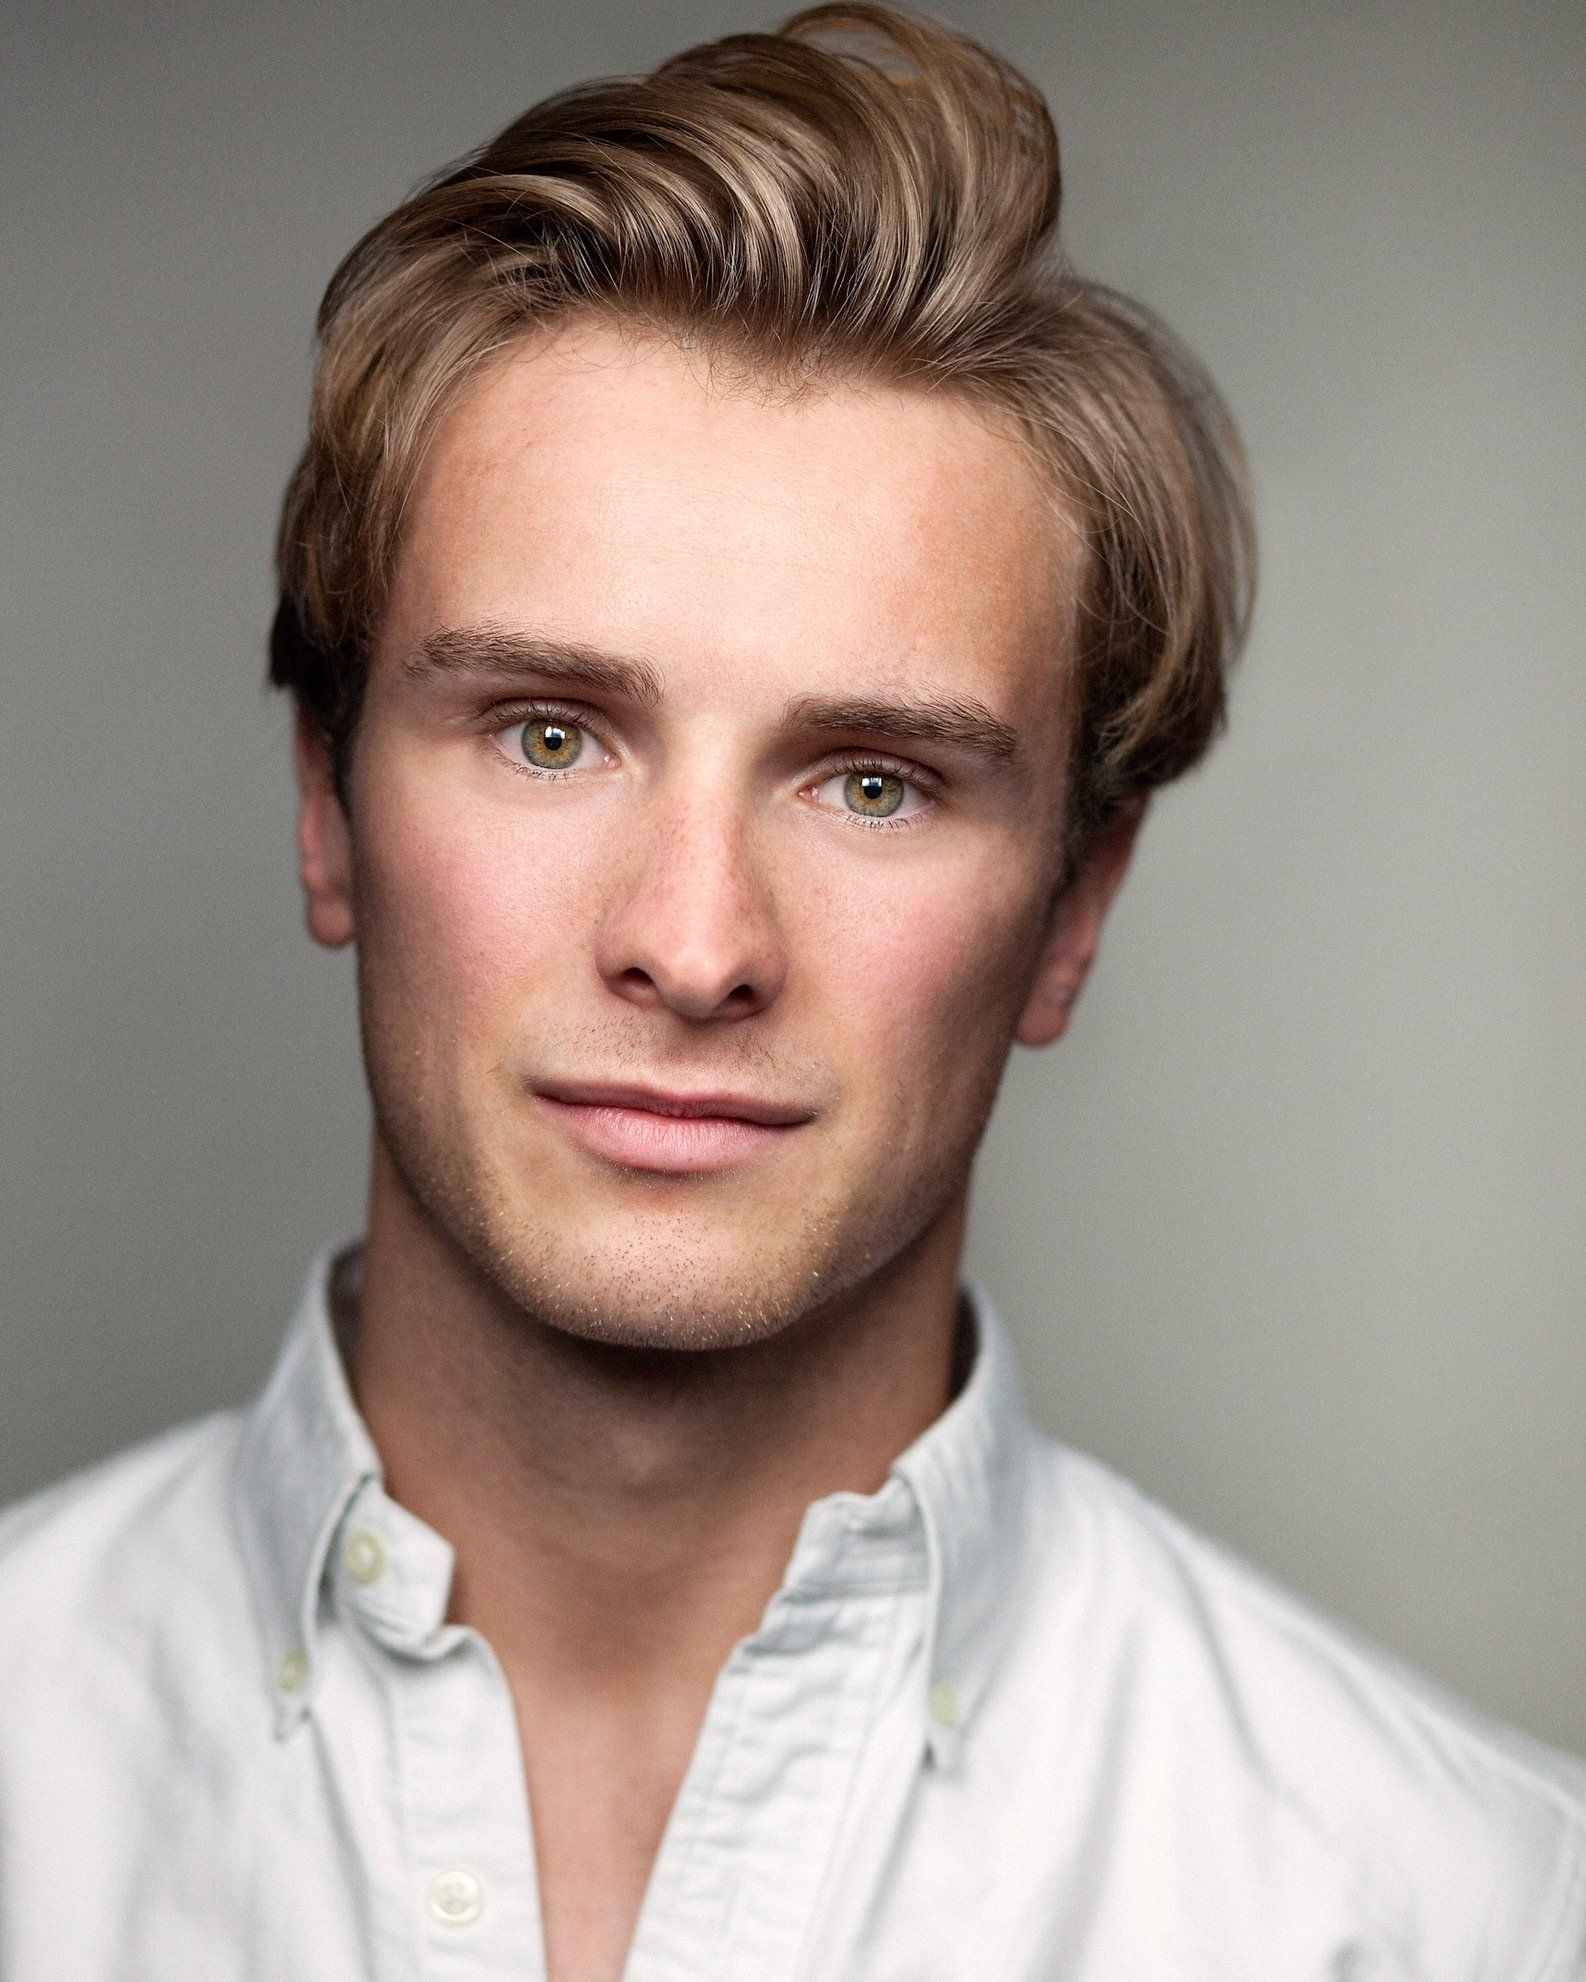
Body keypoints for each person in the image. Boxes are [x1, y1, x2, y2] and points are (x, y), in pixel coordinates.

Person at [2, 4, 1581, 1977]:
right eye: (549, 734)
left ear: (1073, 906)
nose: (693, 945)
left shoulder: (1470, 1916)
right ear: (326, 806)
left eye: (873, 782)